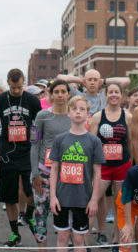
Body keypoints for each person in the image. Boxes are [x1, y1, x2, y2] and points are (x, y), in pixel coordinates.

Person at [0, 68, 42, 247]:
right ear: (8, 83)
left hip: (27, 151)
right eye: (13, 87)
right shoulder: (0, 100)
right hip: (6, 151)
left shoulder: (32, 100)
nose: (17, 91)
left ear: (23, 82)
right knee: (9, 195)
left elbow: (38, 125)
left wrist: (37, 146)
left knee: (31, 190)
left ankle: (28, 216)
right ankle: (14, 233)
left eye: (19, 87)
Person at [49, 95, 104, 252]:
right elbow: (54, 169)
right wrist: (52, 197)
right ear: (68, 113)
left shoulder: (94, 141)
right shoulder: (60, 139)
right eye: (74, 109)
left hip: (83, 199)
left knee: (79, 239)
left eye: (82, 109)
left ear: (88, 114)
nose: (78, 112)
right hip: (61, 198)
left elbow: (97, 173)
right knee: (62, 237)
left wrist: (94, 200)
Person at [90, 82, 134, 249]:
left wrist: (134, 164)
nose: (114, 95)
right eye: (111, 92)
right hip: (103, 166)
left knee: (120, 204)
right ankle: (83, 241)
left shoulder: (128, 116)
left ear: (121, 95)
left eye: (117, 92)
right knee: (92, 200)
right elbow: (92, 143)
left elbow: (130, 142)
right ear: (105, 95)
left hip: (123, 165)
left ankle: (117, 240)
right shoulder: (97, 117)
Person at [30, 80, 72, 248]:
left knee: (66, 214)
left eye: (63, 91)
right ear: (51, 95)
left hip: (68, 174)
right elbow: (34, 144)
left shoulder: (75, 115)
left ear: (69, 94)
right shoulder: (41, 116)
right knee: (40, 214)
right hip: (44, 171)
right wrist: (35, 174)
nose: (60, 95)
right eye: (57, 92)